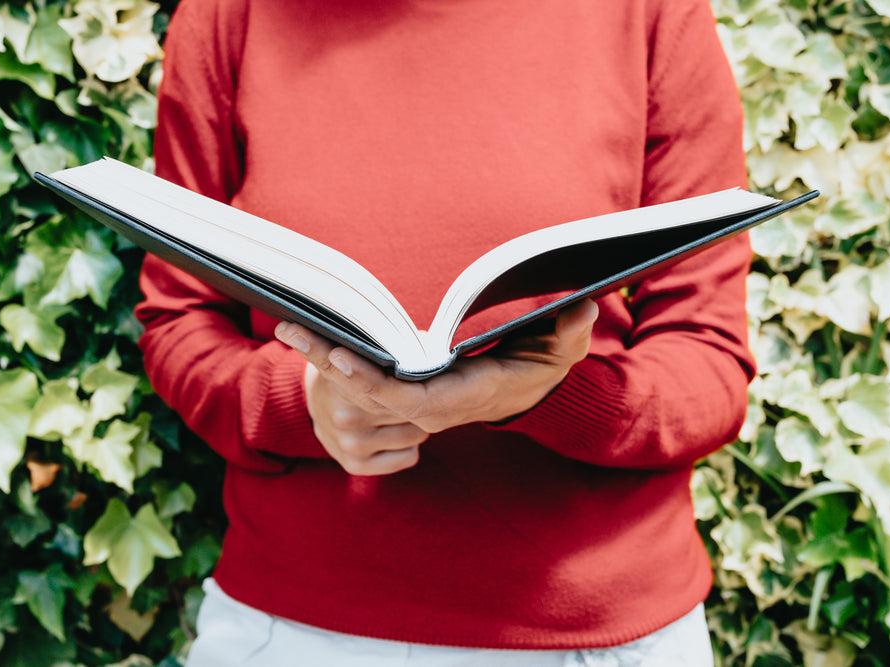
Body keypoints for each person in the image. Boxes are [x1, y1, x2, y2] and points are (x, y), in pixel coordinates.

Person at [135, 0, 756, 664]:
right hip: (298, 629)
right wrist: (307, 404)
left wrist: (545, 397)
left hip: (599, 634)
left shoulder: (648, 12)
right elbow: (178, 321)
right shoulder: (233, 13)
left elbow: (708, 361)